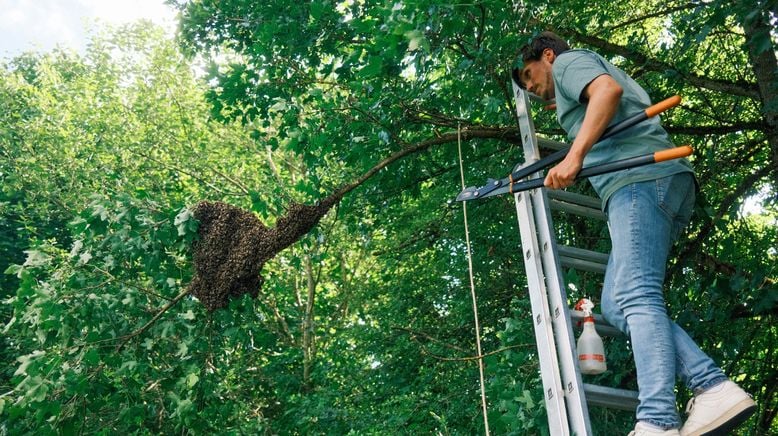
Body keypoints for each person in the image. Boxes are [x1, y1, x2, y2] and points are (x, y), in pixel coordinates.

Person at [516, 31, 756, 436]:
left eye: (530, 74)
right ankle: (711, 385)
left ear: (548, 55)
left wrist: (574, 155)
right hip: (653, 186)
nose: (533, 87)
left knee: (634, 295)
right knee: (614, 302)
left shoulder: (571, 64)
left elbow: (606, 92)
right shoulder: (574, 85)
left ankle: (659, 419)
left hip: (639, 182)